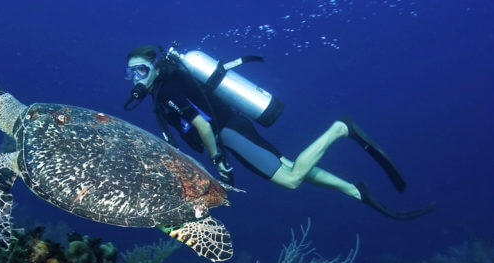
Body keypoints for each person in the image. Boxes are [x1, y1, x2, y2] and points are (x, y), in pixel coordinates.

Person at [123, 45, 434, 219]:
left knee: (291, 180)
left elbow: (203, 125)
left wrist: (217, 158)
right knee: (288, 165)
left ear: (154, 67)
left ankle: (340, 129)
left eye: (141, 69)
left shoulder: (166, 91)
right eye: (131, 72)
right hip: (235, 128)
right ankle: (354, 190)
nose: (136, 77)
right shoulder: (168, 84)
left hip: (229, 135)